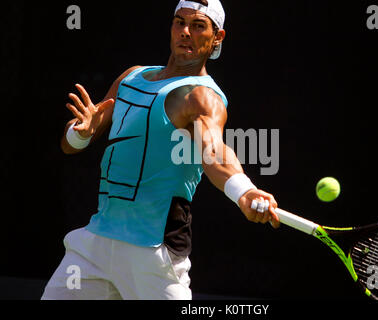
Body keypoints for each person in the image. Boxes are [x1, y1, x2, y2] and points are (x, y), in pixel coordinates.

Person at [41, 0, 280, 300]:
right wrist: (81, 133)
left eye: (197, 26)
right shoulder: (132, 77)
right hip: (95, 245)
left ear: (217, 37)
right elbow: (69, 145)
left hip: (154, 255)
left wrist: (244, 191)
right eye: (179, 22)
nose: (185, 32)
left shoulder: (202, 97)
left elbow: (214, 152)